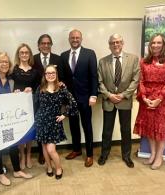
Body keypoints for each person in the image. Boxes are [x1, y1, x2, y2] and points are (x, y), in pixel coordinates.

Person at [0, 52, 32, 186]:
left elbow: (13, 101)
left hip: (7, 120)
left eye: (6, 62)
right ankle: (0, 174)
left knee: (13, 145)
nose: (4, 64)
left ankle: (17, 170)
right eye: (1, 62)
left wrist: (20, 94)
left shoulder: (11, 81)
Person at [134, 33, 165, 170]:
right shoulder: (143, 61)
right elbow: (140, 81)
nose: (155, 45)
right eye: (153, 43)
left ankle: (159, 156)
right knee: (149, 128)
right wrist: (144, 97)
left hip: (161, 100)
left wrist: (159, 99)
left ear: (164, 44)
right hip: (146, 99)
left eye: (159, 43)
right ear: (150, 45)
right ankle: (152, 154)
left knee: (161, 128)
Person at [97, 34, 140, 168]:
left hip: (125, 100)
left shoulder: (133, 59)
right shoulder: (102, 61)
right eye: (112, 42)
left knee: (125, 130)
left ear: (122, 43)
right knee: (106, 130)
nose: (115, 45)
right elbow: (99, 82)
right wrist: (109, 95)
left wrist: (123, 95)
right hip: (109, 101)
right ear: (109, 45)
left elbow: (135, 80)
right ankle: (104, 154)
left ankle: (126, 156)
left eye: (118, 42)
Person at [58, 29, 98, 167]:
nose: (75, 39)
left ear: (81, 38)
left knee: (87, 126)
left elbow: (94, 76)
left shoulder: (90, 53)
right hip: (70, 99)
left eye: (77, 37)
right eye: (72, 37)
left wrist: (93, 95)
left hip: (86, 97)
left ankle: (90, 154)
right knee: (73, 125)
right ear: (69, 39)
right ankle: (76, 150)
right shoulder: (63, 56)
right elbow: (62, 77)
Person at [35, 65, 78, 180]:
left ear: (56, 74)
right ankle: (49, 167)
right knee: (44, 147)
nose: (50, 75)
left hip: (54, 123)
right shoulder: (40, 88)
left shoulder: (61, 88)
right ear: (45, 75)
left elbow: (73, 103)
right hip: (41, 121)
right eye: (48, 73)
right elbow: (35, 105)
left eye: (53, 73)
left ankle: (59, 168)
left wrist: (64, 115)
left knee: (51, 149)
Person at [11, 43, 42, 169]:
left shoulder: (35, 72)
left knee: (29, 131)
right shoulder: (13, 70)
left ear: (29, 55)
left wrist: (33, 90)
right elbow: (7, 85)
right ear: (18, 55)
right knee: (20, 131)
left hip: (31, 106)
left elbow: (40, 88)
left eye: (26, 52)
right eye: (22, 52)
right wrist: (14, 91)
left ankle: (28, 154)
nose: (24, 54)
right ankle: (22, 155)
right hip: (17, 107)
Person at [33, 34, 62, 164]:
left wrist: (61, 84)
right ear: (39, 45)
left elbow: (64, 76)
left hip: (53, 99)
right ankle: (41, 153)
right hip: (38, 98)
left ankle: (51, 152)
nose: (45, 45)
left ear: (51, 45)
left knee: (51, 127)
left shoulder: (58, 59)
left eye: (48, 43)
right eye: (43, 43)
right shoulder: (32, 59)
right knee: (40, 127)